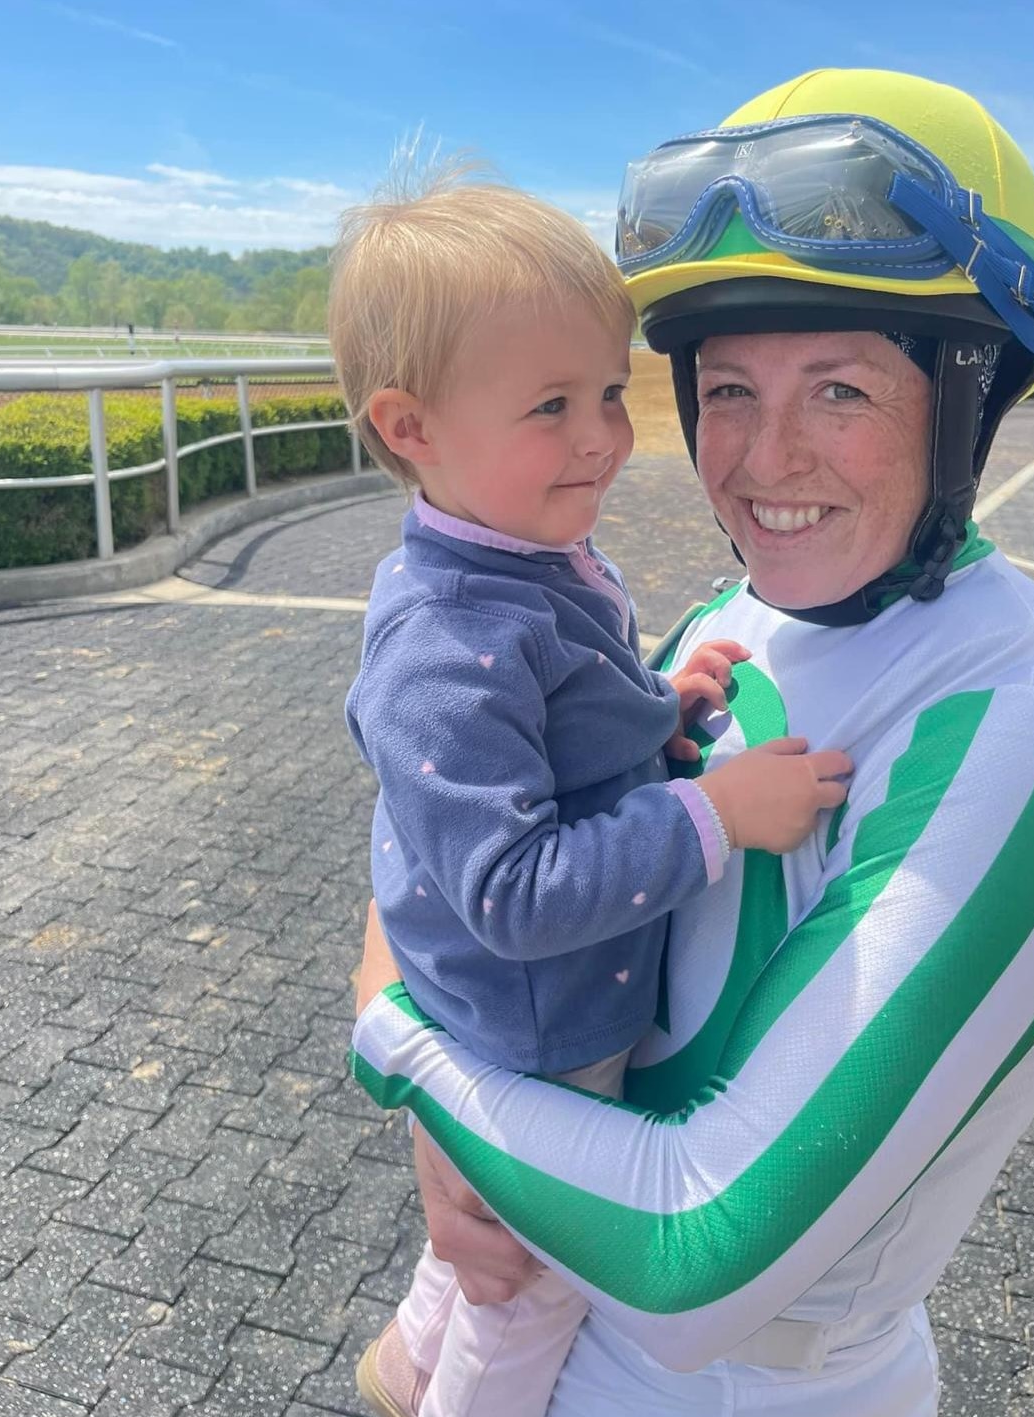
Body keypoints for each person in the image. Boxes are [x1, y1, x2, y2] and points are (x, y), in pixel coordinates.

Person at [350, 69, 1034, 1415]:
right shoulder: (746, 611)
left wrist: (401, 1047)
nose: (765, 462)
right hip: (543, 1312)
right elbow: (506, 842)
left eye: (839, 390)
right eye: (725, 389)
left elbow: (692, 1250)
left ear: (972, 398)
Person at [330, 176, 851, 1417]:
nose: (603, 438)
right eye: (552, 406)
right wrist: (715, 816)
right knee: (531, 1282)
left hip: (516, 1007)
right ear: (411, 426)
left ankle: (406, 1360)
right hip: (543, 1028)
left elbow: (555, 746)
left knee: (474, 1251)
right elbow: (509, 886)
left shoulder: (529, 546)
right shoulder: (449, 641)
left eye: (610, 393)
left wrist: (655, 706)